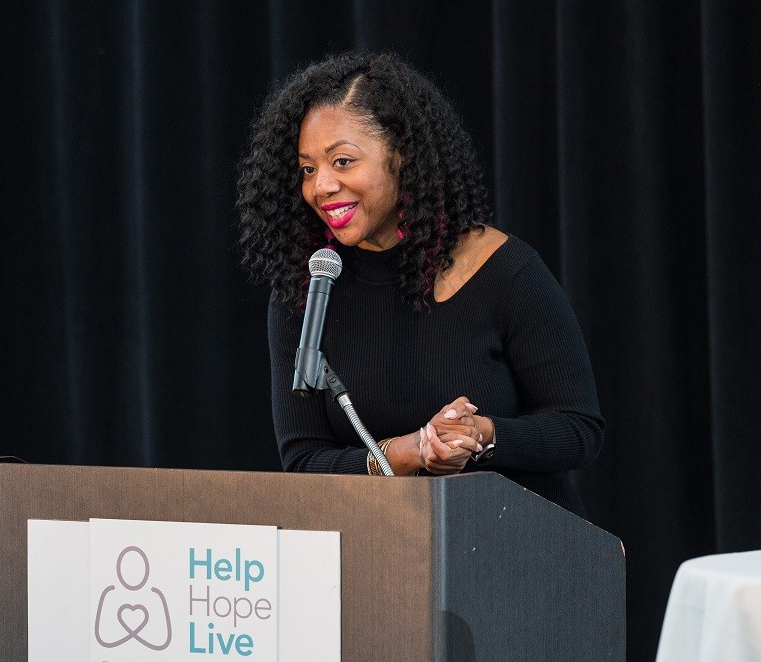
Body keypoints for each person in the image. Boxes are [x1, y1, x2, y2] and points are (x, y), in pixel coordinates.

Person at [235, 51, 603, 517]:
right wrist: (406, 453)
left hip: (516, 551)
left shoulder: (504, 270)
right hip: (380, 558)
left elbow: (579, 430)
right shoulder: (308, 289)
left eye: (343, 161)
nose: (320, 186)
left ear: (402, 155)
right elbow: (304, 460)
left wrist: (483, 435)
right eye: (308, 168)